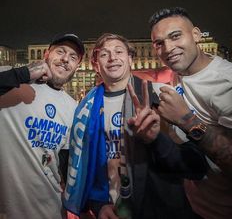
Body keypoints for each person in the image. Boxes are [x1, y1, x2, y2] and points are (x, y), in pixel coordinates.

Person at [64, 33, 208, 219]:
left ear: (131, 58)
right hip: (114, 210)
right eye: (104, 54)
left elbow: (196, 166)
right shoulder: (86, 108)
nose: (113, 57)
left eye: (118, 51)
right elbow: (88, 166)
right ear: (95, 65)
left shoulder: (159, 94)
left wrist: (156, 140)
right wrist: (99, 206)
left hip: (157, 209)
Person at [149, 7, 232, 219]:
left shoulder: (229, 84)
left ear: (196, 35)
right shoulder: (181, 70)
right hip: (191, 203)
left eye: (175, 36)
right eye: (159, 43)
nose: (168, 48)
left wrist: (186, 120)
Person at [0, 33, 85, 219]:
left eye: (73, 57)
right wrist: (24, 74)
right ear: (46, 54)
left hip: (52, 210)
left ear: (76, 67)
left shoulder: (73, 108)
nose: (65, 59)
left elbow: (65, 164)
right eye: (60, 51)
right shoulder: (13, 81)